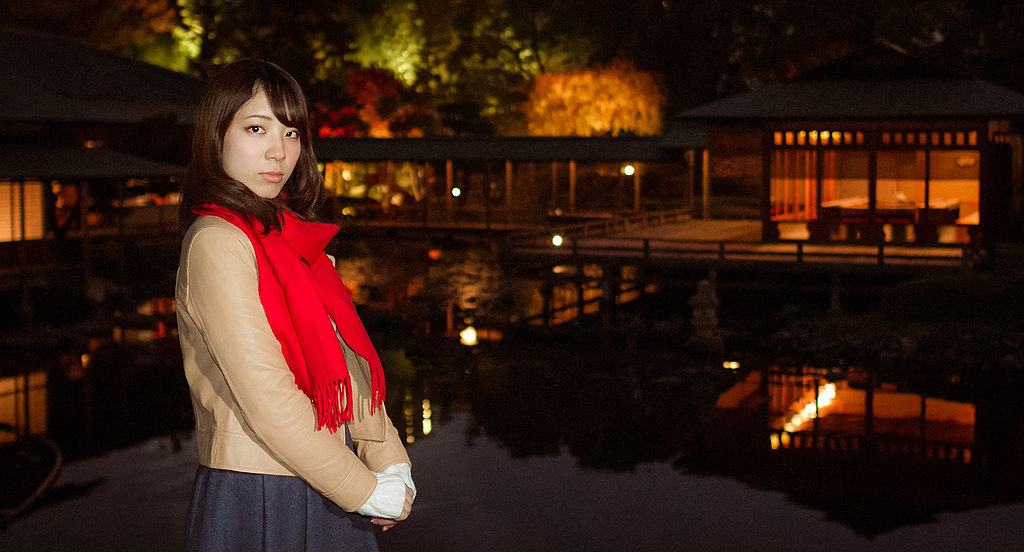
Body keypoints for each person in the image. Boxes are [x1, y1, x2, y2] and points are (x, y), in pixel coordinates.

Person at [176, 59, 414, 551]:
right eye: (256, 128)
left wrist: (387, 456)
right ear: (216, 136)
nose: (278, 151)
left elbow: (342, 359)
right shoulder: (217, 242)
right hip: (260, 485)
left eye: (291, 133)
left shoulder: (289, 237)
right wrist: (363, 488)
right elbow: (266, 394)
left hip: (331, 473)